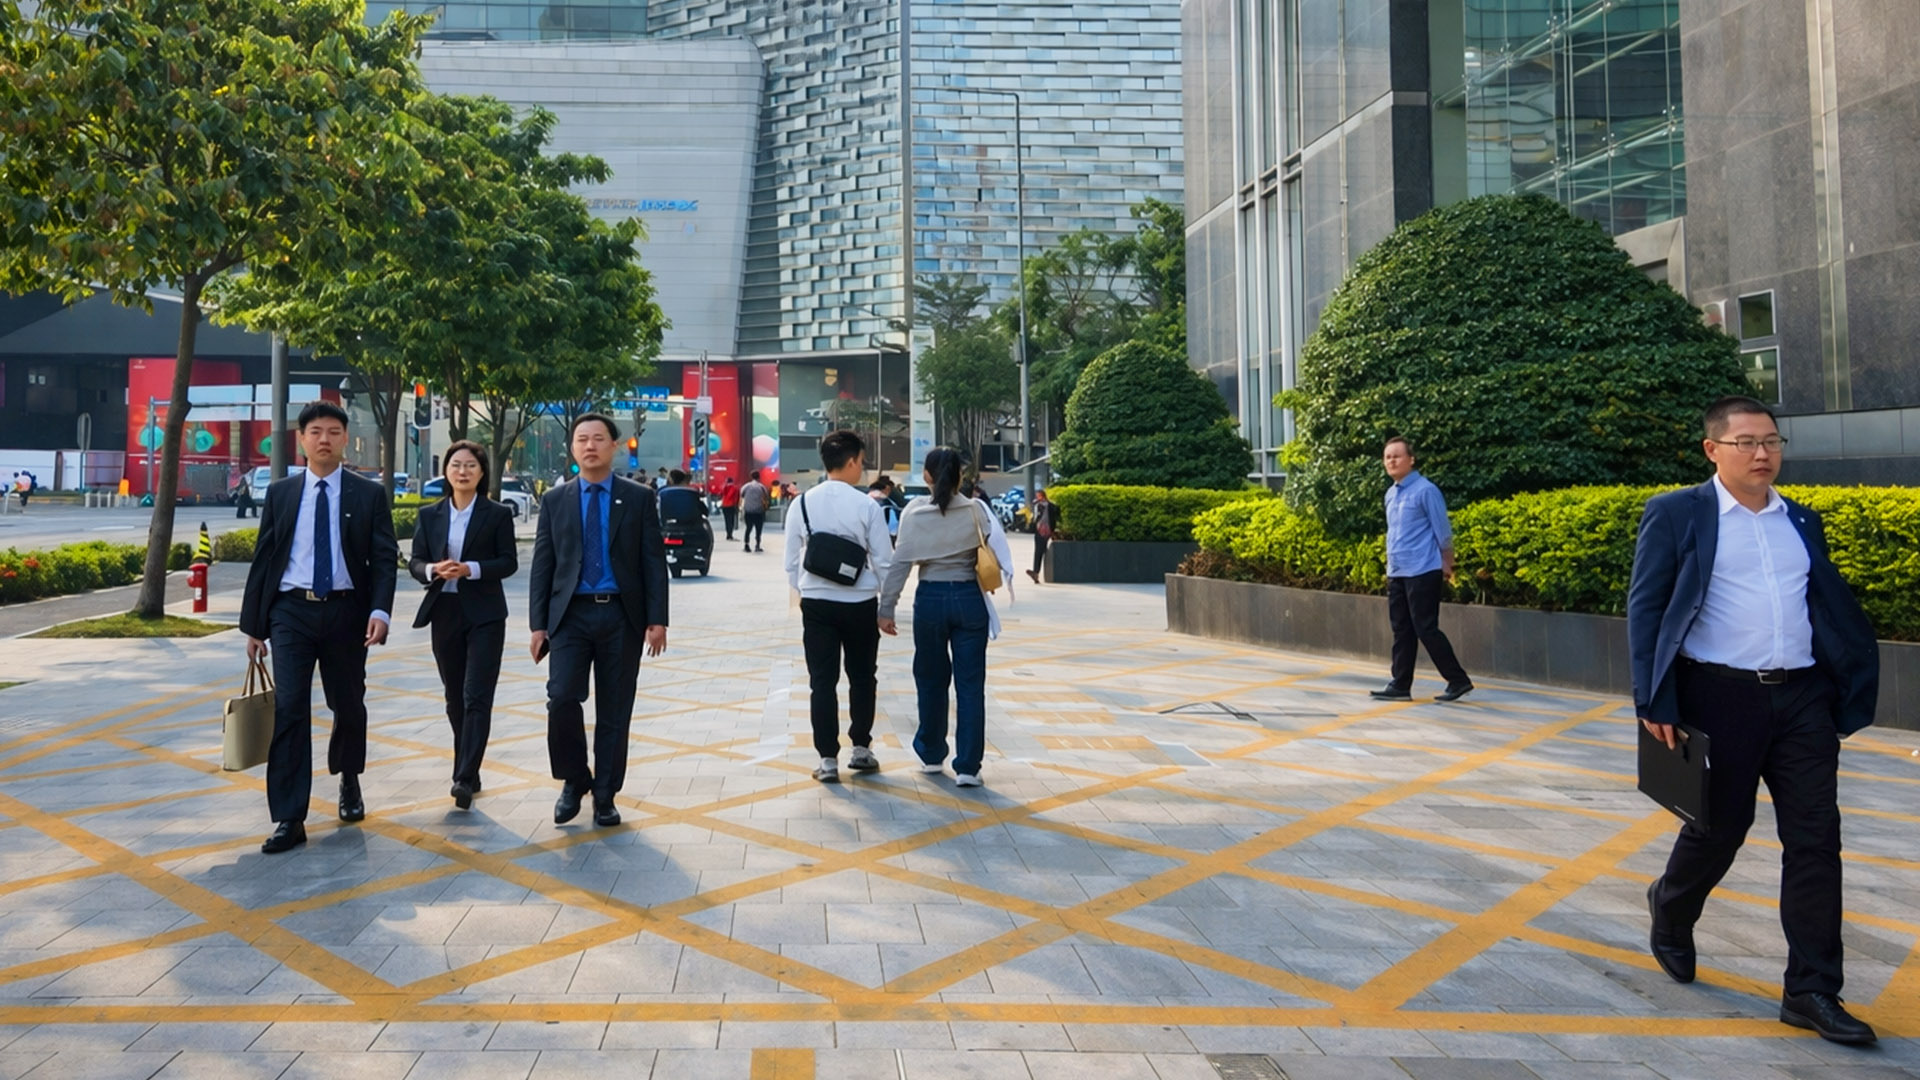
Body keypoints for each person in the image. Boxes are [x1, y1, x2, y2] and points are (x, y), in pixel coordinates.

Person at [1629, 395, 1880, 1046]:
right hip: (1719, 694)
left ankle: (1812, 989)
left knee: (1816, 841)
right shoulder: (1678, 513)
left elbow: (1820, 605)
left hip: (1801, 699)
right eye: (1747, 442)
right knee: (1719, 830)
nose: (1763, 453)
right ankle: (1672, 905)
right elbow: (1648, 608)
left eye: (1771, 441)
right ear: (1714, 450)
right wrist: (1652, 699)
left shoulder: (1800, 519)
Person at [239, 401, 398, 854]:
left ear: (345, 439)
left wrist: (380, 612)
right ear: (302, 439)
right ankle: (290, 816)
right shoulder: (282, 492)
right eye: (315, 431)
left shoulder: (368, 494)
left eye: (332, 431)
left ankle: (348, 777)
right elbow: (265, 559)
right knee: (290, 708)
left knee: (347, 704)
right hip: (291, 612)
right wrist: (254, 626)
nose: (323, 439)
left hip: (348, 611)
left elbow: (384, 558)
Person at [529, 413, 670, 829]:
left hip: (620, 616)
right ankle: (574, 780)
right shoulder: (555, 501)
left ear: (614, 445)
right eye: (581, 439)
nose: (589, 446)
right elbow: (543, 564)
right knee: (562, 700)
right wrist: (538, 625)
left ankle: (605, 794)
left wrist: (657, 619)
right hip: (570, 616)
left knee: (614, 709)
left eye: (597, 439)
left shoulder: (639, 498)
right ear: (572, 448)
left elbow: (652, 562)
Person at [877, 448, 1013, 787]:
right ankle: (968, 767)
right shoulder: (975, 510)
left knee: (930, 679)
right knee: (970, 685)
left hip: (931, 600)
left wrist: (886, 608)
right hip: (969, 599)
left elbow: (900, 565)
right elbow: (995, 552)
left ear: (926, 476)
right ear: (959, 478)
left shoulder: (913, 513)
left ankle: (932, 754)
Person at [409, 441, 518, 810]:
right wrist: (433, 570)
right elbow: (416, 561)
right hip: (445, 610)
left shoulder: (497, 513)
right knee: (454, 698)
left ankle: (463, 778)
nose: (463, 471)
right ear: (447, 472)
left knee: (476, 696)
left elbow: (508, 562)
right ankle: (469, 767)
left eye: (471, 465)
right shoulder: (430, 515)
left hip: (485, 613)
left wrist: (470, 569)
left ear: (482, 472)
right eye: (456, 465)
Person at [785, 431, 895, 783]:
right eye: (861, 462)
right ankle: (861, 749)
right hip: (860, 603)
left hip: (816, 604)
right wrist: (886, 605)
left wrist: (802, 593)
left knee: (822, 681)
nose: (861, 469)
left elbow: (790, 561)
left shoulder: (801, 503)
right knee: (862, 677)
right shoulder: (867, 505)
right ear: (850, 462)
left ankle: (828, 760)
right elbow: (884, 561)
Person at [1370, 437, 1473, 702]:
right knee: (1401, 628)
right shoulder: (1391, 494)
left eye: (1397, 456)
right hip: (1398, 571)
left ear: (1411, 459)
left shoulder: (1426, 490)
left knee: (1425, 628)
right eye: (1387, 457)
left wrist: (1448, 563)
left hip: (1423, 569)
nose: (1391, 461)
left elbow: (1442, 530)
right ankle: (1400, 685)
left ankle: (1458, 680)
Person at [1027, 488, 1060, 584]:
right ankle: (1036, 572)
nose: (1038, 498)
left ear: (1043, 496)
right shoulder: (1038, 505)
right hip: (1039, 530)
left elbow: (1055, 512)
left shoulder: (1047, 505)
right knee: (1039, 551)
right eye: (1037, 496)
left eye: (1039, 496)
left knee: (1040, 551)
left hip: (1045, 530)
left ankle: (1036, 572)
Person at [740, 470, 770, 552]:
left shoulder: (746, 486)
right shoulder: (762, 487)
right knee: (758, 529)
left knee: (748, 528)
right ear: (759, 477)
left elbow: (742, 495)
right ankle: (757, 545)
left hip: (748, 511)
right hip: (759, 511)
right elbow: (766, 496)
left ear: (751, 477)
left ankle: (746, 545)